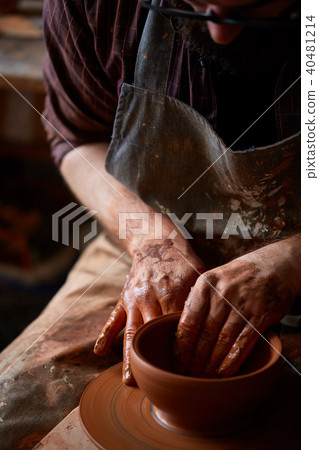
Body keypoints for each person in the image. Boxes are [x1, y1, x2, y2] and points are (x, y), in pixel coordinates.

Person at [0, 0, 301, 447]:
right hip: (141, 244)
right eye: (197, 5)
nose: (221, 33)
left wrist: (296, 259)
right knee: (13, 406)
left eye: (251, 7)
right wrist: (149, 240)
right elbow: (78, 136)